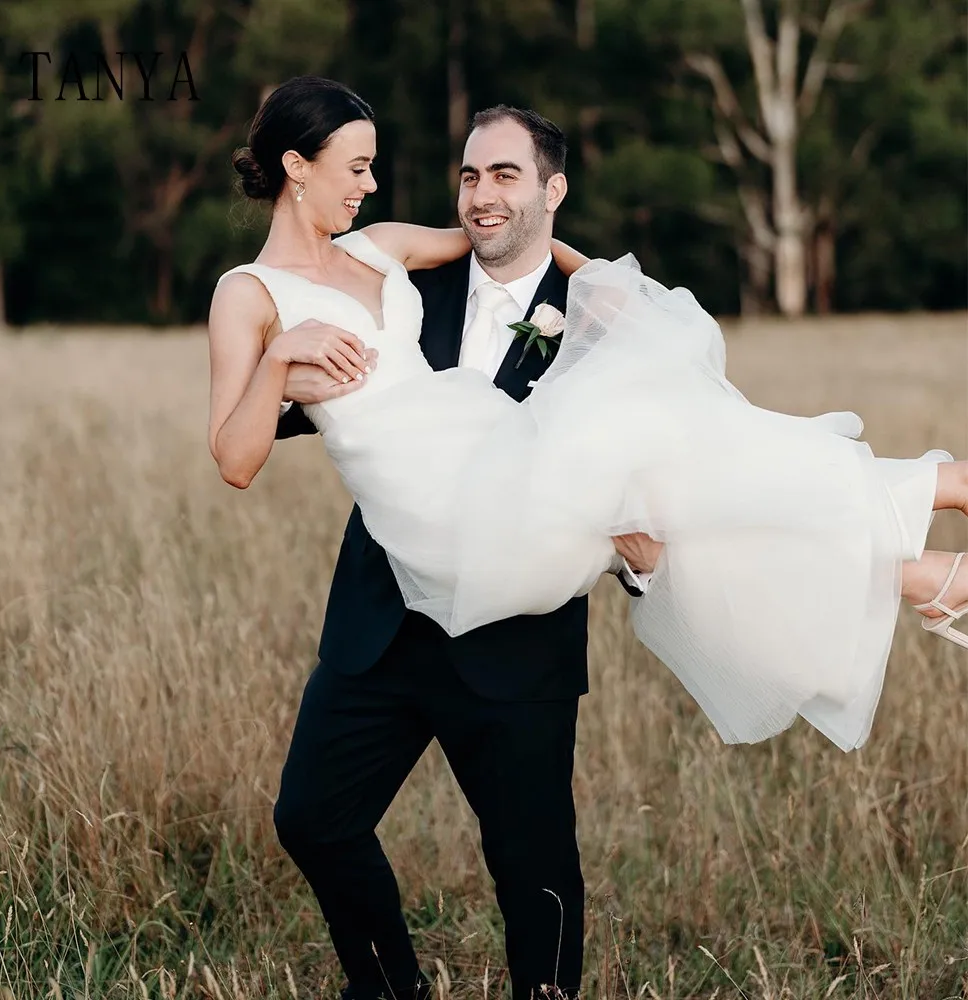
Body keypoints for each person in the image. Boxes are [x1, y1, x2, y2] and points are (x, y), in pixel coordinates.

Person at [208, 77, 967, 999]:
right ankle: (919, 541)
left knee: (669, 485)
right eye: (361, 166)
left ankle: (924, 522)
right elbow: (235, 455)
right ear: (298, 167)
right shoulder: (250, 294)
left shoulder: (391, 250)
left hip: (505, 560)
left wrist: (613, 298)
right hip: (399, 585)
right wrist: (283, 361)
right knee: (314, 820)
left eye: (503, 175)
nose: (383, 183)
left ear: (548, 187)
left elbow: (517, 245)